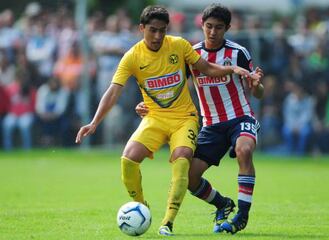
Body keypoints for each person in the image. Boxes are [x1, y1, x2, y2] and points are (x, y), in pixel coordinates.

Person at [75, 5, 260, 236]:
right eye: (152, 30)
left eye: (162, 31)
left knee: (199, 157)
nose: (158, 36)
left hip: (205, 118)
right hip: (176, 120)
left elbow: (210, 69)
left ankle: (172, 222)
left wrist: (239, 72)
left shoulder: (185, 47)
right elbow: (114, 90)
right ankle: (149, 207)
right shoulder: (134, 56)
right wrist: (95, 122)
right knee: (136, 162)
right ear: (141, 28)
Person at [135, 4, 264, 235]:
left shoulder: (238, 53)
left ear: (228, 28)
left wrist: (257, 87)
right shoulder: (190, 53)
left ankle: (242, 216)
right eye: (209, 26)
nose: (213, 32)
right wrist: (149, 104)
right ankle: (222, 204)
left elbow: (258, 91)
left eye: (219, 27)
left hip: (239, 117)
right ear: (202, 25)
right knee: (190, 177)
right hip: (211, 124)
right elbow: (171, 85)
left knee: (244, 150)